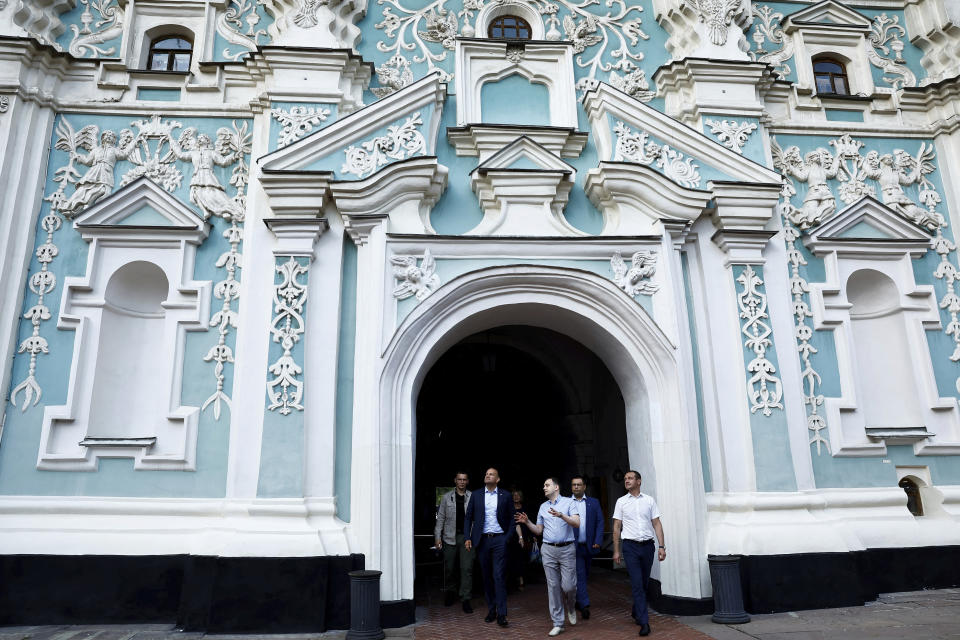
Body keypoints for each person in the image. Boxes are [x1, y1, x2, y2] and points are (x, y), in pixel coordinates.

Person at [517, 477, 581, 637]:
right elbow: (539, 531)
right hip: (548, 550)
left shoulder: (569, 502)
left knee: (569, 587)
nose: (544, 487)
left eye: (547, 485)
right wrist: (527, 522)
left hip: (567, 549)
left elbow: (576, 523)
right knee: (553, 587)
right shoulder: (543, 507)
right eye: (544, 485)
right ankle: (558, 623)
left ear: (556, 487)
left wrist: (561, 516)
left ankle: (571, 607)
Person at [612, 470, 666, 637]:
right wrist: (616, 550)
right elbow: (616, 527)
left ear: (639, 481)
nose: (626, 480)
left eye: (630, 478)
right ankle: (644, 622)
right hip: (630, 547)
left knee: (643, 583)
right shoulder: (621, 502)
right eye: (625, 478)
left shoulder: (649, 501)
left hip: (648, 547)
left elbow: (656, 523)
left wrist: (662, 546)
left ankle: (636, 610)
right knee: (636, 583)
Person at [464, 468, 516, 627]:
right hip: (482, 541)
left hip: (500, 540)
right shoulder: (476, 494)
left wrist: (506, 539)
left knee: (498, 576)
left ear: (498, 479)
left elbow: (512, 520)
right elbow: (468, 518)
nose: (487, 475)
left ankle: (502, 614)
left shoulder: (506, 495)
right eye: (486, 473)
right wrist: (467, 537)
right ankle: (491, 610)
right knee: (486, 577)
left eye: (491, 474)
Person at [434, 471, 474, 613]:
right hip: (449, 537)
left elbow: (477, 518)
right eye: (459, 479)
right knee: (449, 568)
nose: (462, 482)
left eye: (464, 479)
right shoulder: (446, 497)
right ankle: (450, 592)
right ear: (455, 481)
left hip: (467, 538)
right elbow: (441, 519)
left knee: (466, 568)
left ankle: (466, 598)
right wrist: (437, 537)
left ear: (467, 481)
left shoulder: (472, 497)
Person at [570, 475, 604, 620]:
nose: (576, 487)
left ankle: (579, 600)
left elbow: (600, 522)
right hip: (574, 546)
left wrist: (597, 540)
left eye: (579, 485)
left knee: (585, 573)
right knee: (580, 574)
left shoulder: (594, 503)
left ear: (584, 487)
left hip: (589, 545)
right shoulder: (566, 503)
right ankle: (584, 605)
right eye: (573, 485)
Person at [508, 490, 531, 592]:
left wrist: (532, 535)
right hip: (512, 535)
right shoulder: (509, 508)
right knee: (512, 557)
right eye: (514, 495)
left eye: (518, 495)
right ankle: (514, 580)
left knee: (522, 557)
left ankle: (522, 579)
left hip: (524, 534)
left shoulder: (525, 508)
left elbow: (530, 521)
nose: (516, 497)